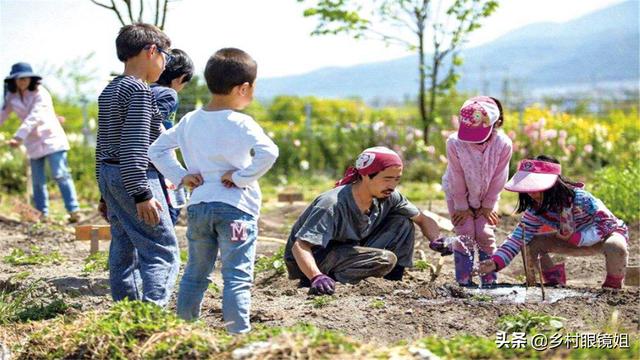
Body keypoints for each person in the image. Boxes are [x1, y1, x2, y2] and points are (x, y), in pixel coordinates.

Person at [149, 48, 278, 334]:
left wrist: (182, 176)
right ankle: (237, 338)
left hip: (199, 208)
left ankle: (183, 332)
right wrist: (243, 177)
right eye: (253, 88)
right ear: (243, 88)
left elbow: (156, 149)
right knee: (236, 277)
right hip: (236, 211)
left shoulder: (190, 120)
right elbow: (269, 152)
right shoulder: (241, 122)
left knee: (195, 273)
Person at [284, 146, 445, 295]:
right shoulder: (332, 204)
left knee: (403, 223)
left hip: (349, 250)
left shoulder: (388, 196)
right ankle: (329, 281)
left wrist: (437, 240)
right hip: (315, 259)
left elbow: (423, 219)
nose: (392, 185)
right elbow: (300, 246)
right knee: (385, 258)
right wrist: (315, 276)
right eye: (387, 179)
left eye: (397, 179)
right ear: (365, 175)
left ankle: (392, 282)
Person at [95, 23, 180, 307]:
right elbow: (134, 146)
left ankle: (127, 311)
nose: (165, 64)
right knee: (161, 248)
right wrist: (142, 193)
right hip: (136, 175)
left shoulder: (110, 89)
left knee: (124, 246)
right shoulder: (139, 91)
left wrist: (104, 193)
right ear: (151, 50)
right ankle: (152, 315)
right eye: (165, 56)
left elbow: (102, 144)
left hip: (111, 175)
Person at [478, 156, 629, 289]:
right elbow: (518, 238)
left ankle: (613, 285)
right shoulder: (536, 210)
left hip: (603, 237)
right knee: (529, 243)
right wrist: (496, 262)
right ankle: (552, 283)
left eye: (536, 187)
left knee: (616, 246)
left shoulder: (581, 199)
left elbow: (606, 223)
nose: (531, 193)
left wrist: (578, 238)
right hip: (569, 240)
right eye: (527, 188)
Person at [440, 96, 512, 287]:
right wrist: (461, 206)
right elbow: (456, 175)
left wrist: (488, 205)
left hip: (488, 194)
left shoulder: (503, 145)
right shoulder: (455, 143)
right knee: (465, 232)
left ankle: (489, 279)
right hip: (458, 194)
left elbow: (499, 177)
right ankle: (464, 280)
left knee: (484, 232)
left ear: (496, 123)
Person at [1, 62, 81, 222]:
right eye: (19, 79)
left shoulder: (41, 93)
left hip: (51, 138)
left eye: (26, 78)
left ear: (31, 79)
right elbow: (3, 114)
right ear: (13, 80)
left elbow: (34, 117)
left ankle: (73, 211)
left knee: (60, 174)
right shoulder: (11, 96)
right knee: (37, 180)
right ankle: (42, 213)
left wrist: (18, 137)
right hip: (32, 142)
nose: (23, 82)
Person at [150, 48, 194, 225]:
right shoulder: (168, 94)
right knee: (170, 210)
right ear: (180, 78)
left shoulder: (143, 89)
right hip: (160, 160)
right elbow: (157, 128)